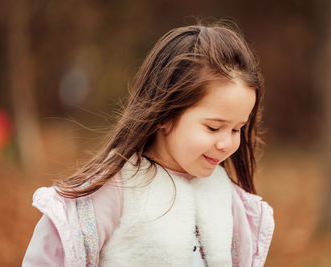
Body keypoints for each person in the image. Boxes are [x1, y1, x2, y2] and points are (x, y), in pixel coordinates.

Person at [23, 22, 274, 267]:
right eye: (213, 127)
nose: (227, 143)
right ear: (166, 114)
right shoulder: (113, 190)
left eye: (236, 129)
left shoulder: (228, 199)